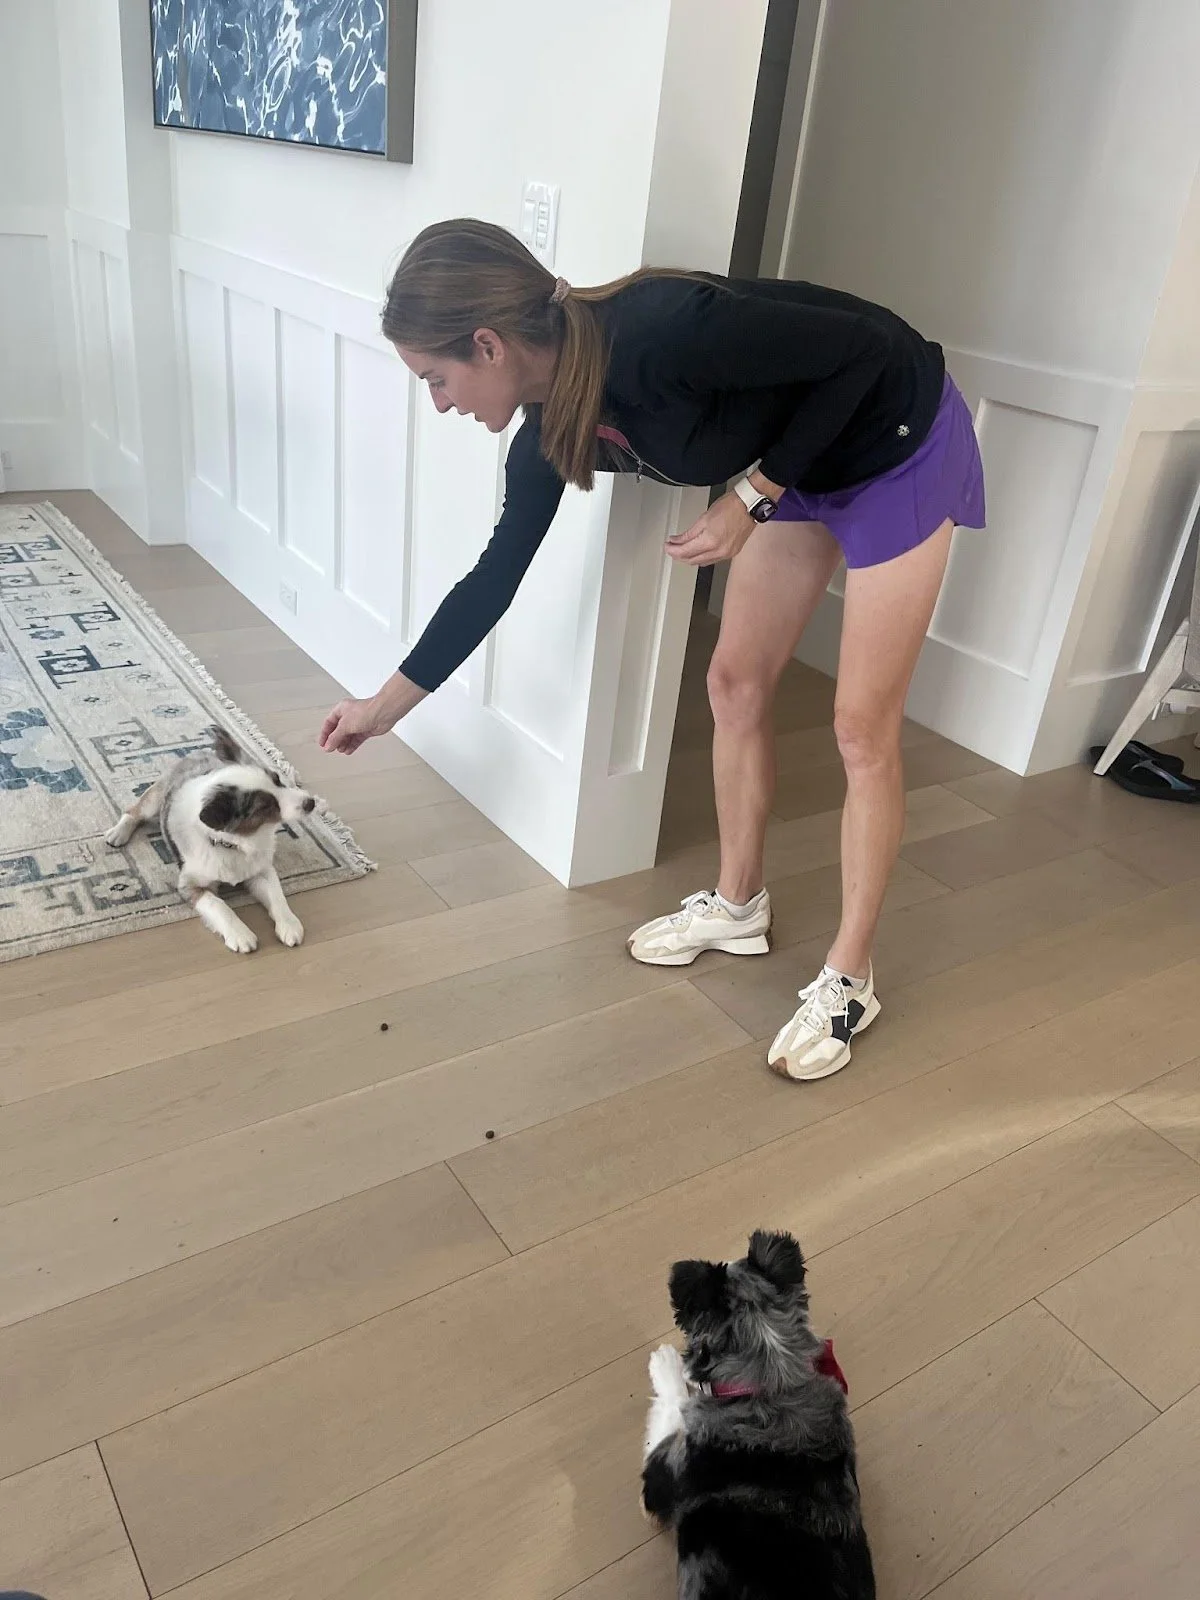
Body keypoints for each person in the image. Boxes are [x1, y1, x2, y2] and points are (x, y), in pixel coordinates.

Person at [320, 219, 985, 1080]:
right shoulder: (551, 429)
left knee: (861, 727)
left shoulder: (665, 330)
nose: (440, 403)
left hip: (896, 441)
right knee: (734, 684)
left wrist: (753, 494)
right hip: (806, 461)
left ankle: (851, 976)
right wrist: (383, 708)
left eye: (435, 379)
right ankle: (738, 906)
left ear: (487, 344)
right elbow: (494, 577)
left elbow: (868, 352)